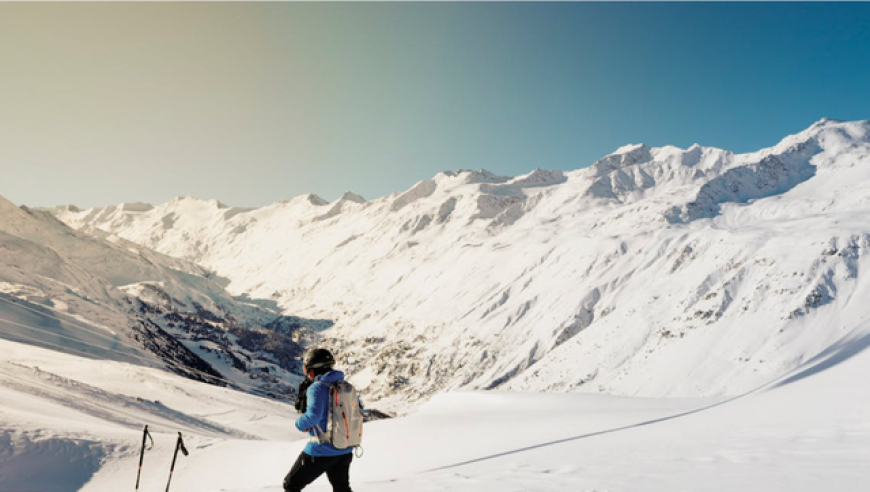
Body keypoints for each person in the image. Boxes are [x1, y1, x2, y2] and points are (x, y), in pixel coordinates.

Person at [283, 348, 354, 492]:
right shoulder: (344, 385)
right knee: (341, 488)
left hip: (321, 450)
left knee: (291, 485)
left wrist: (299, 424)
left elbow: (312, 416)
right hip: (345, 449)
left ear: (312, 370)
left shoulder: (317, 388)